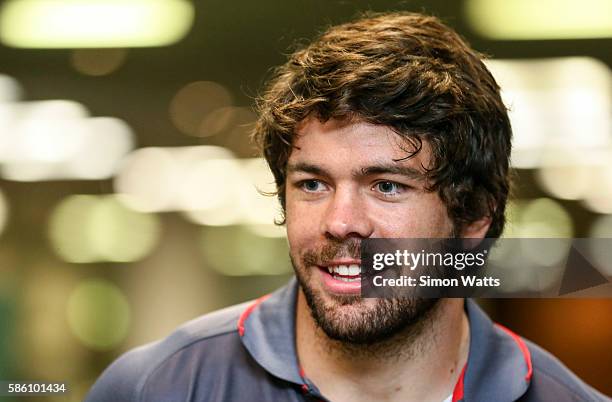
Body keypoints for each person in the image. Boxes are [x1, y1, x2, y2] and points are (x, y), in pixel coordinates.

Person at [86, 12, 609, 402]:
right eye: (313, 184)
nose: (340, 223)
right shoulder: (158, 387)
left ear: (473, 217)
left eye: (387, 186)